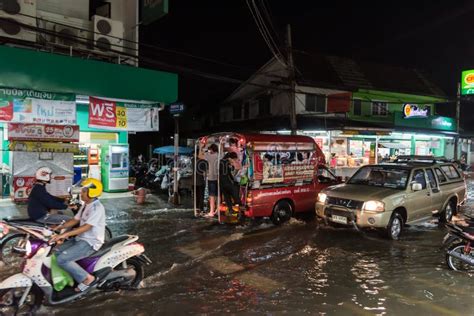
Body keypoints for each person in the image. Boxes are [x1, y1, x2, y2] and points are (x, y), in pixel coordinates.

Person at [50, 178, 106, 292]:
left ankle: (88, 279)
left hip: (90, 242)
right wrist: (59, 227)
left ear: (92, 192)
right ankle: (69, 276)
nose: (81, 193)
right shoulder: (86, 205)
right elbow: (75, 220)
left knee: (62, 259)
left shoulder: (97, 208)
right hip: (81, 239)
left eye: (84, 191)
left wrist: (64, 235)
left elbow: (86, 227)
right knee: (55, 251)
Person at [205, 144, 219, 217]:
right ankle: (217, 210)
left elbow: (200, 156)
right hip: (218, 178)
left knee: (212, 195)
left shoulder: (210, 156)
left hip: (211, 178)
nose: (209, 150)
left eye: (210, 149)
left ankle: (211, 211)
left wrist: (204, 148)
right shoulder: (219, 155)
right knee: (218, 195)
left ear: (212, 150)